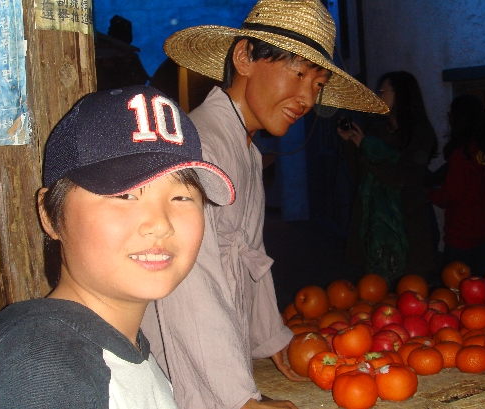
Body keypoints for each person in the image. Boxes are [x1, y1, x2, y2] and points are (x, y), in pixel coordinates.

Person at [140, 1, 388, 408]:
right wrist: (241, 400)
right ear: (244, 57)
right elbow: (188, 286)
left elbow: (247, 256)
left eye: (318, 83)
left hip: (218, 365)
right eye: (299, 73)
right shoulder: (202, 147)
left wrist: (271, 337)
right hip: (179, 374)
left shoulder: (248, 151)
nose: (308, 97)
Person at [0, 85, 235, 408]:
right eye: (124, 195)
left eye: (182, 196)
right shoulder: (44, 373)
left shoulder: (125, 351)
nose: (160, 223)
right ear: (50, 214)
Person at [338, 71, 439, 286]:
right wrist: (350, 143)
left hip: (408, 225)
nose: (378, 95)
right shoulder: (376, 129)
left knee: (412, 296)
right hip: (375, 226)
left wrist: (368, 148)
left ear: (401, 94)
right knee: (375, 297)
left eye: (383, 91)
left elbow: (401, 178)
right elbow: (360, 176)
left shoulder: (419, 133)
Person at [427, 93, 485, 277]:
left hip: (462, 235)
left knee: (456, 288)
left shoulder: (462, 155)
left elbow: (452, 196)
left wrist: (428, 193)